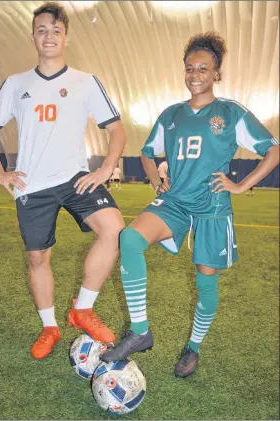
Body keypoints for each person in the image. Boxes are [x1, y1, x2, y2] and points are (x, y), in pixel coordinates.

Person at [101, 32, 279, 378]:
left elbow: (273, 150)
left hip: (212, 208)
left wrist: (241, 185)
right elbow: (147, 153)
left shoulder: (230, 113)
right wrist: (155, 180)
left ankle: (193, 347)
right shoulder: (171, 115)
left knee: (205, 284)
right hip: (175, 201)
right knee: (130, 239)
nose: (195, 75)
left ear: (217, 73)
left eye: (203, 68)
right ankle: (140, 331)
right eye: (189, 68)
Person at [0, 2, 127, 360]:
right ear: (33, 36)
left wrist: (105, 168)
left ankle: (83, 310)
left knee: (114, 229)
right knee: (37, 257)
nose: (48, 36)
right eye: (42, 30)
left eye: (56, 30)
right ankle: (49, 327)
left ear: (66, 37)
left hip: (76, 176)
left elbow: (117, 130)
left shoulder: (86, 81)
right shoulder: (15, 84)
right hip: (31, 184)